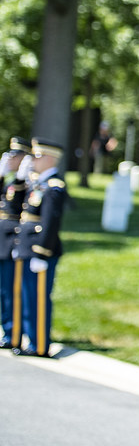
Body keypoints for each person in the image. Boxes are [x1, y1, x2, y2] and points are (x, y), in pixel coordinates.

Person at [10, 138, 68, 357]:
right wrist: (19, 179)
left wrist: (41, 253)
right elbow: (16, 208)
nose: (32, 160)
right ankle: (30, 341)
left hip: (39, 252)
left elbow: (50, 223)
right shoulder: (36, 183)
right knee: (26, 298)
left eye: (37, 156)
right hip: (26, 248)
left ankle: (40, 344)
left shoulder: (54, 187)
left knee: (38, 300)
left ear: (50, 158)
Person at [0, 137, 32, 349]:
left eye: (16, 156)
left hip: (12, 242)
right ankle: (7, 330)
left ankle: (14, 333)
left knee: (11, 291)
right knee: (3, 291)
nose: (12, 159)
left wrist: (19, 180)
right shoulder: (9, 182)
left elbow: (16, 208)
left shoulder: (26, 183)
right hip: (2, 242)